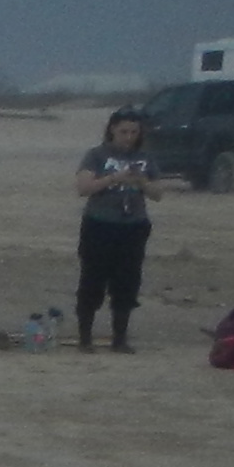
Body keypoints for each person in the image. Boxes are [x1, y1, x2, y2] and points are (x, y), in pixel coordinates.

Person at [72, 109, 158, 350]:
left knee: (127, 281)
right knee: (93, 279)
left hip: (133, 226)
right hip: (99, 224)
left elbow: (158, 193)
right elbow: (83, 187)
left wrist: (141, 180)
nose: (128, 137)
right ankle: (85, 338)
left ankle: (120, 339)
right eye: (123, 132)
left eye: (133, 132)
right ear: (112, 130)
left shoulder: (145, 157)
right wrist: (114, 178)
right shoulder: (97, 155)